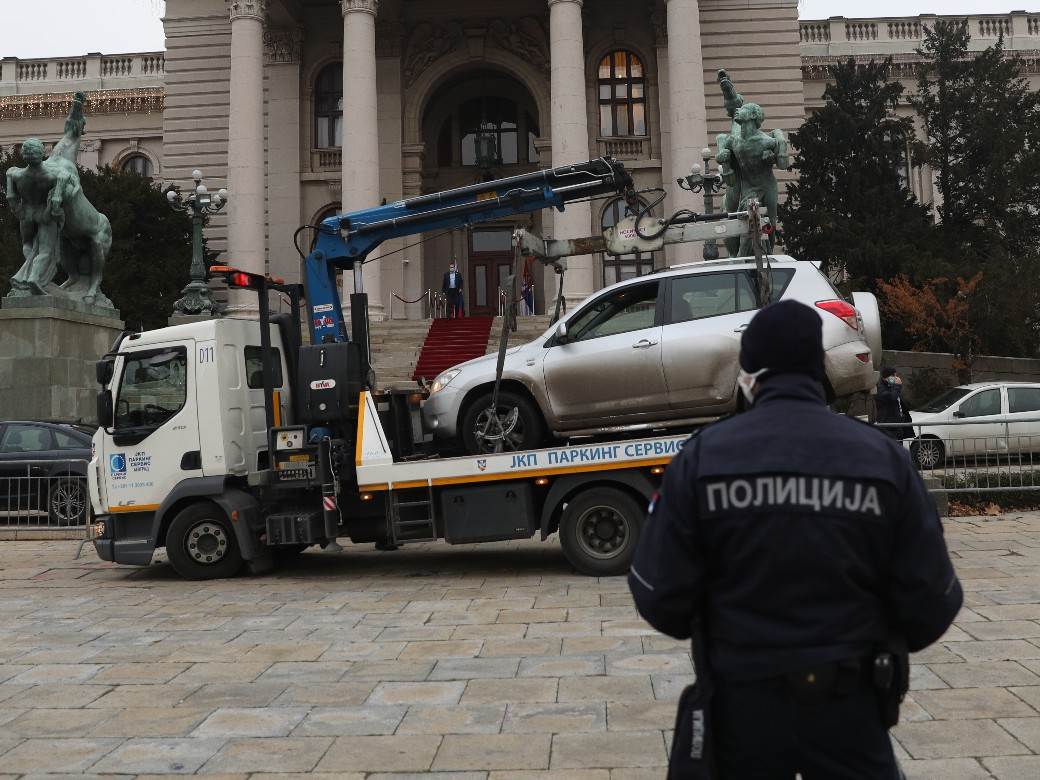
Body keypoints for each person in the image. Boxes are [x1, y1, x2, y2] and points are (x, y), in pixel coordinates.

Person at [629, 300, 962, 780]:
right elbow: (932, 602)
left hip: (739, 715)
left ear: (749, 374)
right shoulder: (882, 460)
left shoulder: (702, 459)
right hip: (851, 712)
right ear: (819, 368)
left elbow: (659, 596)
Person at [876, 366, 912, 440]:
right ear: (886, 376)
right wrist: (897, 386)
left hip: (897, 426)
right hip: (888, 427)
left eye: (896, 375)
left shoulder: (892, 386)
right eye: (893, 376)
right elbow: (892, 397)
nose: (896, 378)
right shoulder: (880, 387)